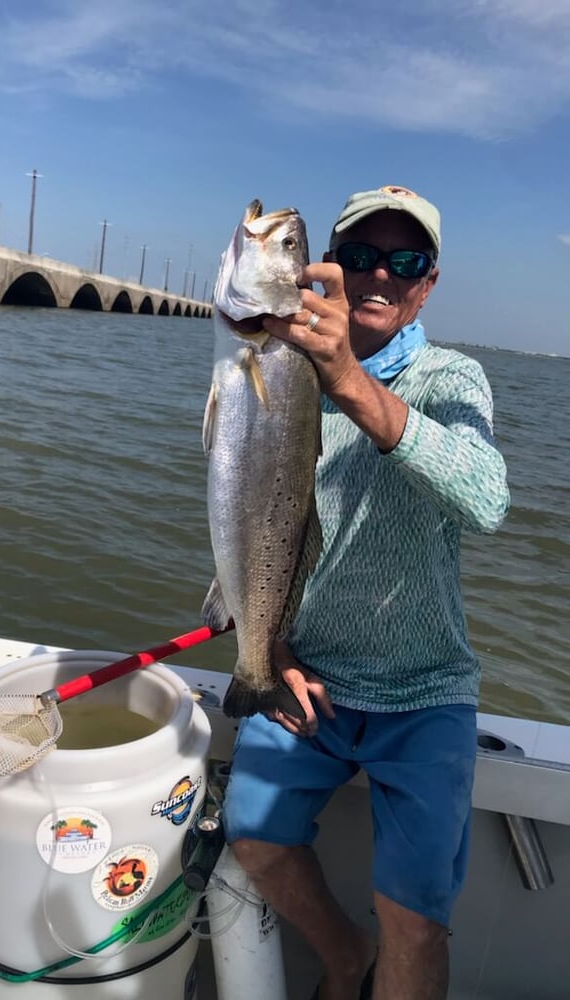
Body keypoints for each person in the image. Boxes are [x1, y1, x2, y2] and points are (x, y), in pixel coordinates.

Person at [221, 185, 510, 1000]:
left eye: (405, 260)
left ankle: (382, 953)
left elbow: (487, 498)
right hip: (305, 679)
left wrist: (350, 381)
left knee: (413, 916)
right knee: (255, 836)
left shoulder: (454, 377)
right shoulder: (279, 365)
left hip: (424, 694)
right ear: (328, 271)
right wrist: (269, 645)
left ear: (428, 283)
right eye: (359, 256)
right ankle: (346, 959)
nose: (381, 274)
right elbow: (255, 520)